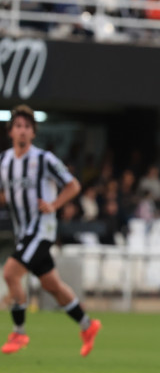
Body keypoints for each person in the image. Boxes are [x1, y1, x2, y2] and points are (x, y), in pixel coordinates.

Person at [0, 105, 102, 357]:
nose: (22, 131)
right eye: (18, 127)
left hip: (41, 230)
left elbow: (73, 185)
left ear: (33, 133)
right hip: (24, 232)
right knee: (52, 285)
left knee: (11, 272)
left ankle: (19, 331)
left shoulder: (44, 159)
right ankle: (87, 325)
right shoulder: (4, 161)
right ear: (10, 131)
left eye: (27, 127)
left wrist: (53, 205)